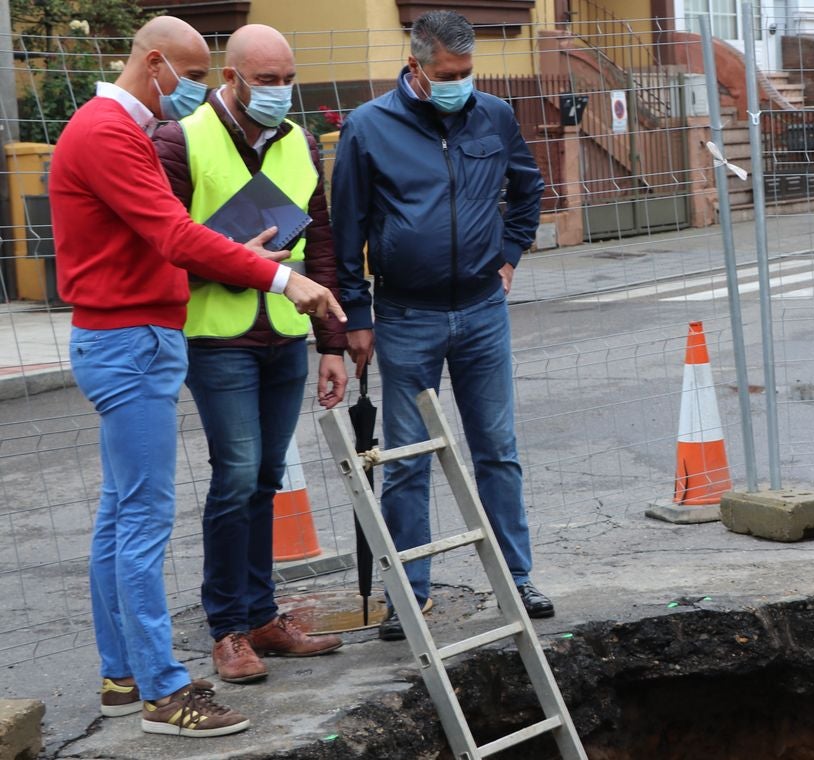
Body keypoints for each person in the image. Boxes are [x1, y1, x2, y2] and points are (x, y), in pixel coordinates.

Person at [48, 15, 344, 737]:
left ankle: (122, 676)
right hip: (130, 340)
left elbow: (168, 240)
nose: (199, 91)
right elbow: (174, 233)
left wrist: (240, 259)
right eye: (195, 76)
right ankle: (164, 692)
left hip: (131, 334)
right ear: (155, 64)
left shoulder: (115, 129)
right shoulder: (112, 132)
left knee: (121, 515)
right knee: (143, 520)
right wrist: (282, 278)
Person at [332, 10, 549, 640]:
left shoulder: (494, 116)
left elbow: (528, 189)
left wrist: (509, 254)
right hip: (406, 316)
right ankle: (410, 594)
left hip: (482, 311)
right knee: (406, 461)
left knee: (497, 452)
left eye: (466, 72)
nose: (459, 84)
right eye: (447, 74)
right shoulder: (368, 127)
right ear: (416, 67)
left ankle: (516, 577)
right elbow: (348, 229)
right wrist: (357, 314)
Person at [152, 24, 347, 684]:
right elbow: (162, 246)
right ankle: (228, 630)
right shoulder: (181, 139)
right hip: (219, 337)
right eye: (266, 80)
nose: (279, 91)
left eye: (288, 79)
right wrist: (237, 261)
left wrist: (331, 342)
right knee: (236, 476)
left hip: (285, 335)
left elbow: (321, 240)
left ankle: (262, 616)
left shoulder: (299, 143)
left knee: (266, 476)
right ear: (231, 77)